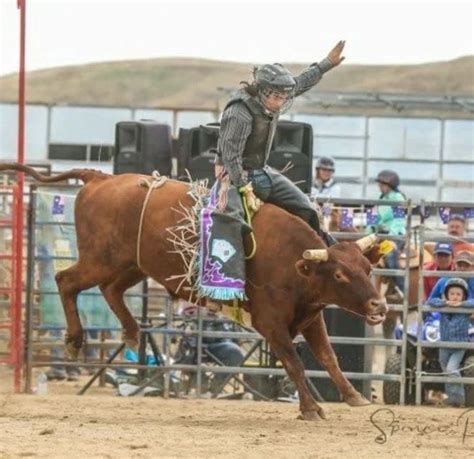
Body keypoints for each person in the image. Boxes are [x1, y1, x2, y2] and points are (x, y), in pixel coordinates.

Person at [215, 41, 346, 247]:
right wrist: (244, 188)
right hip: (235, 177)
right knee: (232, 227)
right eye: (277, 96)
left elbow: (302, 81)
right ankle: (224, 274)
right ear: (262, 90)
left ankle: (327, 249)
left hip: (261, 171)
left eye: (285, 97)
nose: (281, 101)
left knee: (307, 208)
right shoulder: (239, 112)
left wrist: (327, 63)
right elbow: (231, 157)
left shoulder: (277, 95)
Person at [427, 278, 474, 407]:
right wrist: (445, 302)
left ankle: (460, 398)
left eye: (458, 294)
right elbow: (431, 301)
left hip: (459, 345)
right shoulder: (443, 306)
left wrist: (461, 304)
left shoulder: (464, 309)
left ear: (463, 296)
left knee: (451, 369)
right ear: (447, 294)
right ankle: (451, 398)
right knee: (446, 371)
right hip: (444, 345)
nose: (455, 297)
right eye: (452, 294)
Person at [372, 170, 407, 293]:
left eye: (383, 184)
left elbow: (399, 220)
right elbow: (374, 218)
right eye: (380, 184)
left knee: (390, 256)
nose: (380, 186)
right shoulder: (380, 198)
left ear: (390, 185)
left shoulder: (398, 198)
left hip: (396, 235)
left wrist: (391, 237)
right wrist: (368, 232)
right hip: (381, 235)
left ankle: (402, 288)